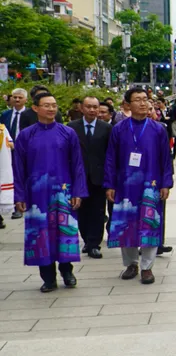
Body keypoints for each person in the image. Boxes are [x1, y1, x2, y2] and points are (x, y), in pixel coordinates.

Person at [11, 92, 87, 292]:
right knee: (41, 235)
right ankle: (48, 278)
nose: (52, 109)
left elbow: (78, 165)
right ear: (35, 108)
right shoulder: (26, 135)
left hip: (63, 192)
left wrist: (78, 191)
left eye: (54, 105)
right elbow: (18, 168)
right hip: (36, 195)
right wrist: (19, 195)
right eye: (47, 105)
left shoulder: (67, 133)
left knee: (65, 233)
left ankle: (67, 271)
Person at [105, 86, 173, 285]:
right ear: (127, 104)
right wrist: (110, 184)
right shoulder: (119, 129)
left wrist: (166, 183)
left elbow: (165, 159)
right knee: (126, 224)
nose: (143, 103)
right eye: (137, 99)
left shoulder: (158, 129)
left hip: (150, 184)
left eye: (145, 99)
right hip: (125, 185)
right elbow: (111, 158)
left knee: (150, 223)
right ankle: (131, 263)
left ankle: (147, 267)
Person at [68, 96, 112, 259]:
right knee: (82, 211)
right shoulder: (72, 127)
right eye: (89, 107)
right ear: (82, 108)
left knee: (98, 211)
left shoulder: (106, 128)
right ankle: (86, 239)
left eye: (95, 107)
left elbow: (110, 154)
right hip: (79, 176)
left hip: (99, 176)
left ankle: (94, 243)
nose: (92, 110)